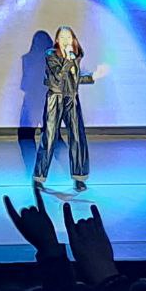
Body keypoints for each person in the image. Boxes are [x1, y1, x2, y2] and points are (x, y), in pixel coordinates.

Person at [34, 25, 108, 191]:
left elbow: (73, 79)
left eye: (69, 37)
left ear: (73, 39)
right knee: (49, 137)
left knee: (77, 136)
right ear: (57, 40)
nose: (66, 40)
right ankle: (39, 177)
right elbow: (58, 78)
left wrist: (93, 77)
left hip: (71, 99)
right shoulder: (51, 55)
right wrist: (68, 59)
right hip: (55, 98)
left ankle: (79, 178)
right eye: (62, 37)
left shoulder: (76, 55)